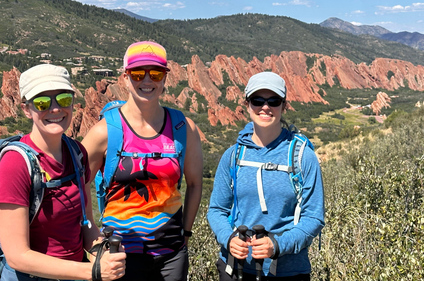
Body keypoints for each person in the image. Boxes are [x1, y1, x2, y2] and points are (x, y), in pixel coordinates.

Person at [0, 64, 126, 281]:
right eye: (42, 102)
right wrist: (91, 271)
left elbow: (87, 223)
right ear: (26, 109)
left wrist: (104, 254)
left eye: (63, 99)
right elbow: (17, 256)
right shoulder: (15, 165)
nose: (55, 109)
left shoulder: (77, 153)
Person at [82, 41, 203, 281]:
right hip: (118, 254)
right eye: (137, 73)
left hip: (171, 254)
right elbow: (78, 184)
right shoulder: (105, 131)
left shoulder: (183, 128)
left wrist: (185, 234)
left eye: (155, 73)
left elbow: (195, 184)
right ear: (125, 78)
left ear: (164, 78)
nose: (147, 81)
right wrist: (93, 239)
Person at [207, 72, 325, 280]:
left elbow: (313, 217)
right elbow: (217, 209)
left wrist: (278, 245)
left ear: (284, 105)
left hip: (287, 271)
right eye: (257, 101)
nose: (265, 107)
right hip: (236, 269)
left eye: (274, 101)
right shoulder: (233, 156)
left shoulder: (302, 157)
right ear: (247, 104)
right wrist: (229, 239)